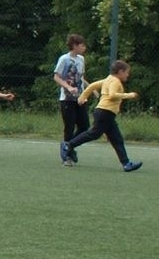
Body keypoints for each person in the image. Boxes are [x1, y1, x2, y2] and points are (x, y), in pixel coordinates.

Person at [61, 59, 143, 172]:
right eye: (126, 72)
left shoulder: (108, 79)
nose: (128, 75)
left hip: (105, 113)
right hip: (105, 112)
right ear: (120, 71)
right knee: (94, 134)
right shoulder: (115, 81)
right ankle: (68, 145)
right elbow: (113, 95)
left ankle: (126, 163)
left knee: (116, 139)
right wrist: (130, 95)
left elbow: (92, 86)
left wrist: (82, 97)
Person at [52, 33, 88, 165]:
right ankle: (67, 156)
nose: (84, 47)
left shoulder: (81, 59)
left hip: (80, 98)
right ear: (74, 46)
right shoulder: (64, 59)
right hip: (67, 99)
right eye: (81, 45)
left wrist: (91, 89)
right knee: (69, 126)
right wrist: (68, 87)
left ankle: (69, 146)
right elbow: (56, 77)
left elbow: (81, 78)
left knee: (85, 126)